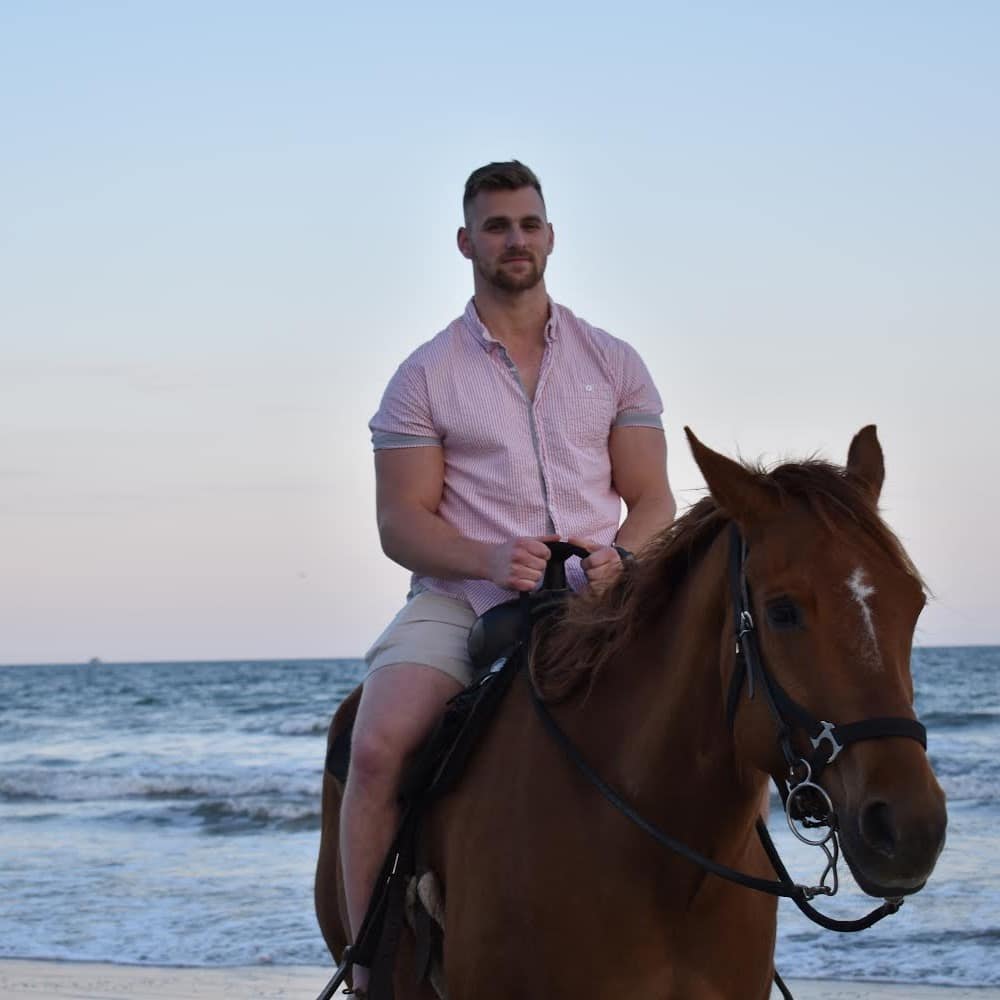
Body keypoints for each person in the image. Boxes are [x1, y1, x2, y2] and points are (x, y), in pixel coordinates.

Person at [339, 160, 676, 994]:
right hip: (465, 598)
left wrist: (624, 555)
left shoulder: (614, 361)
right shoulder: (423, 375)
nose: (514, 239)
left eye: (527, 223)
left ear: (551, 236)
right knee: (377, 748)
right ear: (467, 242)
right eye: (496, 226)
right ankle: (372, 965)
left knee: (713, 713)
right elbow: (401, 523)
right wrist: (489, 557)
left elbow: (653, 498)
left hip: (604, 599)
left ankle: (725, 934)